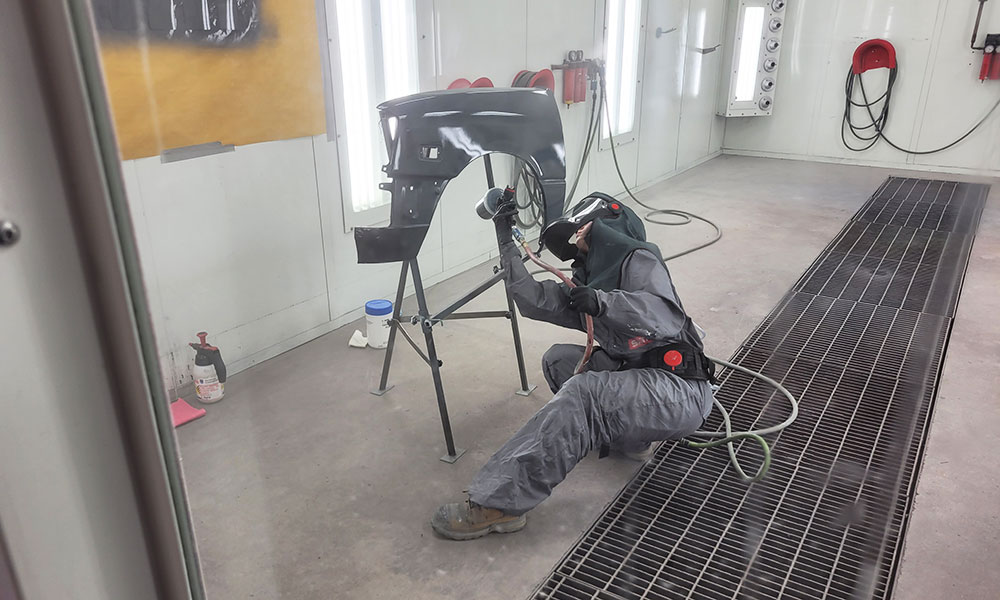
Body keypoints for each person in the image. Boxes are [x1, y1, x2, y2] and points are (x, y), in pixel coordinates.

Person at [431, 192, 716, 541]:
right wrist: (505, 236)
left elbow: (662, 316)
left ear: (609, 228)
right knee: (558, 361)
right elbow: (534, 300)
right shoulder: (589, 284)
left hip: (678, 389)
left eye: (583, 228)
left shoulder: (639, 259)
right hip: (636, 375)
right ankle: (633, 439)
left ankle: (499, 504)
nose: (576, 235)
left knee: (584, 396)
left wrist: (603, 302)